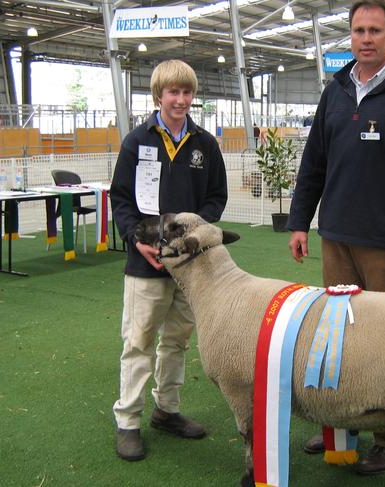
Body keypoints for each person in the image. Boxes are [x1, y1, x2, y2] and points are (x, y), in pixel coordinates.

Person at [286, 0, 385, 477]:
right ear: (350, 37)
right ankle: (340, 428)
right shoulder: (334, 91)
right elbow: (313, 162)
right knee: (335, 340)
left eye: (376, 30)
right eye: (359, 30)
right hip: (336, 238)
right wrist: (299, 221)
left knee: (384, 345)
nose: (367, 38)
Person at [110, 59, 228, 461]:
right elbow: (122, 200)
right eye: (173, 92)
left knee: (176, 340)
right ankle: (127, 421)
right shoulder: (136, 141)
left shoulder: (205, 144)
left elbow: (216, 197)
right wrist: (135, 240)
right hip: (145, 263)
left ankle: (167, 411)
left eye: (187, 92)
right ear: (158, 95)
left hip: (190, 269)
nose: (180, 100)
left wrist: (194, 232)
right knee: (139, 341)